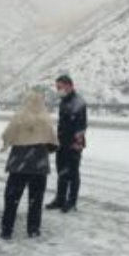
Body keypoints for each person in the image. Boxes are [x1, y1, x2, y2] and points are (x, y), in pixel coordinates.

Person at [0, 92, 58, 240]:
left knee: (11, 199)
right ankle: (33, 229)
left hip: (18, 165)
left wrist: (20, 140)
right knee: (36, 200)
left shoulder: (19, 118)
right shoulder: (45, 120)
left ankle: (7, 230)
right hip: (38, 167)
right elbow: (53, 144)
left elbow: (7, 136)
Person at [46, 74, 87, 213]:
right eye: (57, 88)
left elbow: (81, 126)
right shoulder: (64, 101)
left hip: (74, 143)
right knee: (61, 171)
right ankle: (60, 198)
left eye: (60, 87)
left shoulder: (78, 102)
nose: (58, 90)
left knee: (73, 173)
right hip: (62, 142)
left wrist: (77, 143)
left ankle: (71, 201)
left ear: (69, 85)